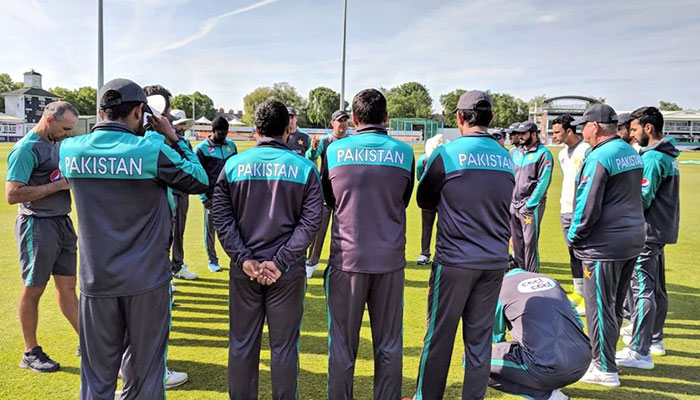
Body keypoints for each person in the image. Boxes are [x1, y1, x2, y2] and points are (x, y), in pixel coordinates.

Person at [59, 78, 209, 399]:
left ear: (100, 112)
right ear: (140, 112)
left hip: (95, 281)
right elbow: (198, 179)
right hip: (146, 281)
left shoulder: (69, 149)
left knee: (97, 378)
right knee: (145, 376)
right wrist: (173, 136)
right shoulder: (150, 149)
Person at [212, 99, 322, 399]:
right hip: (285, 274)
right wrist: (281, 261)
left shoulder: (233, 165)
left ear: (256, 130)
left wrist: (244, 259)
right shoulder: (304, 168)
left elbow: (220, 217)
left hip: (245, 271)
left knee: (242, 344)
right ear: (288, 127)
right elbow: (311, 223)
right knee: (284, 347)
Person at [415, 91, 514, 400]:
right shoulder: (506, 156)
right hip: (495, 260)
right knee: (480, 339)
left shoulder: (448, 153)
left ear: (459, 118)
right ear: (492, 119)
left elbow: (424, 199)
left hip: (455, 261)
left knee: (439, 337)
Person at [322, 89, 414, 400]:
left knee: (342, 346)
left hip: (347, 260)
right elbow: (404, 200)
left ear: (355, 119)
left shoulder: (335, 150)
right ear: (386, 117)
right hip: (389, 261)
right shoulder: (404, 153)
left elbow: (329, 200)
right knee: (388, 345)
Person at [567, 104, 645, 387]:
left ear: (595, 127)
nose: (580, 130)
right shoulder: (629, 151)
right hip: (631, 240)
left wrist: (574, 237)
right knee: (612, 307)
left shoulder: (601, 156)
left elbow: (587, 206)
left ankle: (604, 367)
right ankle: (607, 359)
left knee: (599, 307)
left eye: (583, 125)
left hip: (604, 245)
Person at [6, 101, 79, 372]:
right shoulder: (26, 149)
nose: (68, 134)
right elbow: (12, 194)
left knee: (69, 287)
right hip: (37, 225)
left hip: (62, 222)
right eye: (65, 128)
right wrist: (59, 185)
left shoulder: (57, 143)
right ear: (49, 121)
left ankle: (87, 341)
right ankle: (30, 352)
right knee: (34, 289)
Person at [617, 106, 679, 368]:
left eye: (633, 129)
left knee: (642, 289)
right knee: (656, 288)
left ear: (648, 128)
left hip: (647, 232)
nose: (631, 135)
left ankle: (639, 351)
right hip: (660, 230)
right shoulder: (668, 155)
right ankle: (654, 339)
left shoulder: (654, 159)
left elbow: (642, 198)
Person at [489, 268, 591, 400]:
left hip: (548, 368)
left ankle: (546, 396)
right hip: (583, 361)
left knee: (472, 359)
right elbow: (578, 321)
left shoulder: (499, 287)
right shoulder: (549, 279)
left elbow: (495, 337)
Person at [551, 114, 590, 314]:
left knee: (584, 254)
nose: (553, 135)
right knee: (572, 253)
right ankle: (578, 292)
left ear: (569, 131)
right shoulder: (562, 154)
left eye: (557, 132)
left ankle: (588, 298)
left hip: (580, 211)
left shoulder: (586, 150)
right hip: (565, 209)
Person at [305, 109, 349, 277]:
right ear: (332, 123)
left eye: (345, 120)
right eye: (339, 120)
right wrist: (313, 148)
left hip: (344, 193)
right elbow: (312, 155)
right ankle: (312, 262)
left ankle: (340, 263)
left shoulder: (350, 142)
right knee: (319, 230)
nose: (343, 123)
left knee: (344, 232)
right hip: (325, 191)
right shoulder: (325, 141)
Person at [195, 116, 238, 272]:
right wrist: (203, 197)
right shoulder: (201, 149)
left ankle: (236, 257)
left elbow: (235, 170)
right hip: (211, 196)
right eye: (221, 133)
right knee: (211, 230)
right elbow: (198, 175)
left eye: (226, 133)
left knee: (233, 228)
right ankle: (212, 260)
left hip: (230, 195)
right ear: (212, 131)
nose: (224, 136)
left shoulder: (231, 146)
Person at [510, 121, 553, 272]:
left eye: (524, 134)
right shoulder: (514, 152)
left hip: (530, 207)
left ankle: (532, 277)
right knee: (517, 243)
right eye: (519, 133)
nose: (520, 137)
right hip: (513, 205)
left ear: (533, 134)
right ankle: (519, 275)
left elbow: (544, 181)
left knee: (529, 243)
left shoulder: (543, 153)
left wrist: (530, 204)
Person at [168, 109, 197, 280]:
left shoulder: (184, 142)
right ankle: (170, 268)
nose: (183, 127)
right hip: (171, 192)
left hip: (182, 192)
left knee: (179, 231)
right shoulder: (167, 142)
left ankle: (177, 265)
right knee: (168, 233)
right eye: (180, 124)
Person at [416, 134, 446, 265]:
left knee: (427, 226)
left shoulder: (423, 159)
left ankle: (424, 253)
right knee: (443, 226)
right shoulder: (447, 159)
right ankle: (441, 252)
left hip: (428, 196)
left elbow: (419, 176)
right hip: (443, 196)